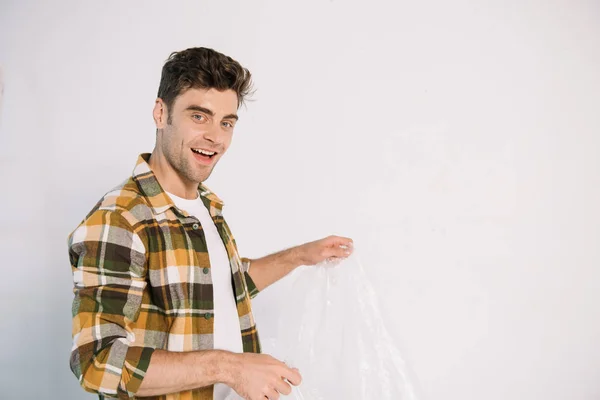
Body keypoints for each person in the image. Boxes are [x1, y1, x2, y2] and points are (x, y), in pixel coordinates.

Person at [67, 47, 353, 400]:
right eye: (199, 116)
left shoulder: (205, 206)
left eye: (226, 122)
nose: (215, 137)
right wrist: (230, 367)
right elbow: (96, 360)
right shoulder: (120, 219)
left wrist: (299, 256)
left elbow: (221, 287)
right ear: (161, 113)